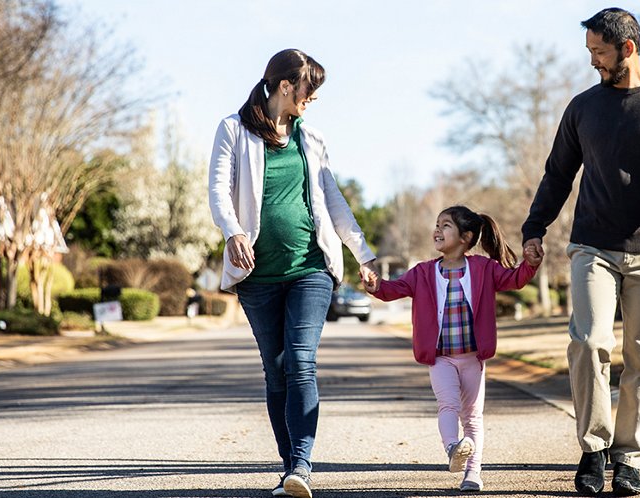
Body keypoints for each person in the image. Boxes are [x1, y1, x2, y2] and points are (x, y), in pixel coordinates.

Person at [520, 8, 640, 497]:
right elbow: (558, 173)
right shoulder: (583, 108)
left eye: (599, 52)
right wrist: (535, 227)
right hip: (593, 246)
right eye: (590, 53)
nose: (593, 62)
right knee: (588, 340)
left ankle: (629, 458)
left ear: (627, 48)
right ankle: (593, 448)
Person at [208, 48, 378, 498]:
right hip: (257, 275)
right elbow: (219, 191)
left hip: (310, 267)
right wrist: (233, 232)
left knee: (301, 361)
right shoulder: (233, 130)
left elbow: (333, 200)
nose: (312, 98)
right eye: (309, 89)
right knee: (276, 368)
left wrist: (362, 253)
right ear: (286, 86)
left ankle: (301, 463)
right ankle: (291, 470)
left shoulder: (312, 139)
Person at [362, 206, 542, 492]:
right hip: (441, 358)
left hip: (473, 358)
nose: (437, 230)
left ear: (465, 237)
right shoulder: (423, 272)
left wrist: (530, 264)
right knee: (447, 405)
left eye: (445, 226)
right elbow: (393, 289)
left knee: (472, 417)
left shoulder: (483, 268)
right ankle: (453, 449)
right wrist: (375, 286)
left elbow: (515, 279)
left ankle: (473, 473)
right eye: (437, 224)